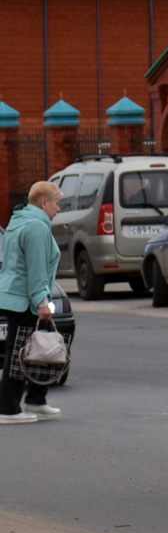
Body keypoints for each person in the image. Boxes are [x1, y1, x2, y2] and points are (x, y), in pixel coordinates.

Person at [0, 181, 63, 423]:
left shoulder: (19, 221)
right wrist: (42, 302)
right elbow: (35, 269)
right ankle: (8, 409)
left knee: (41, 349)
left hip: (18, 297)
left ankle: (37, 399)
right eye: (56, 203)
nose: (58, 209)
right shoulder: (36, 226)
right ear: (43, 202)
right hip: (26, 300)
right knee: (20, 354)